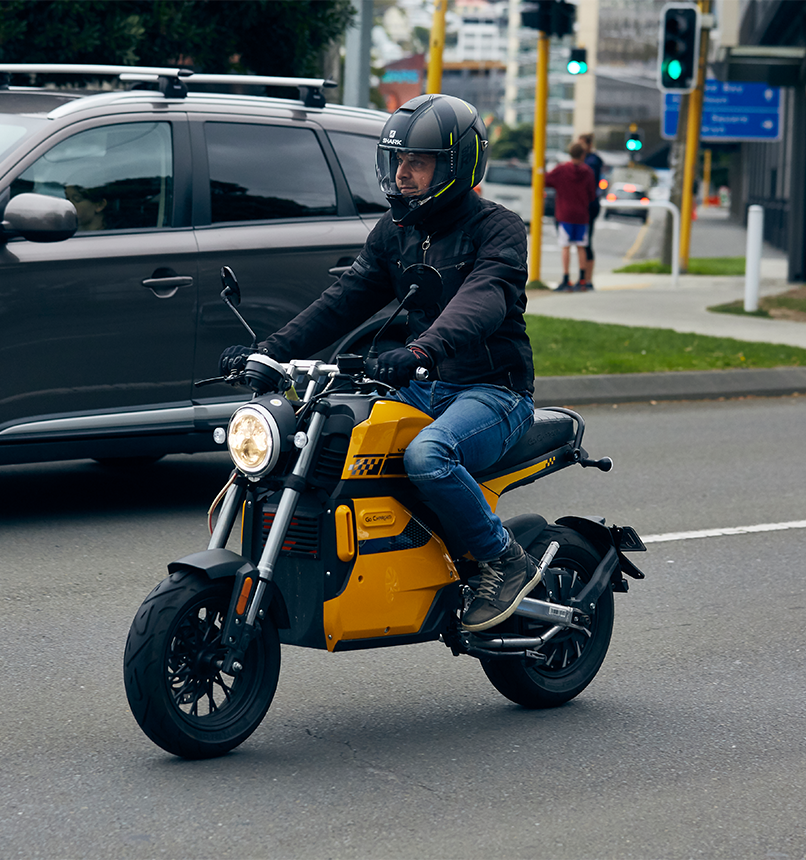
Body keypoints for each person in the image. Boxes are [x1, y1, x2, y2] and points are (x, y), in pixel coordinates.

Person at [219, 94, 539, 633]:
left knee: (428, 456)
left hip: (491, 391)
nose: (402, 174)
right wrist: (269, 351)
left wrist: (421, 350)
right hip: (422, 386)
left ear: (456, 164)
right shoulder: (396, 232)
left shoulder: (498, 228)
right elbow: (344, 299)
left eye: (417, 162)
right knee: (325, 438)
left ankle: (504, 559)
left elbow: (482, 299)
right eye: (396, 161)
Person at [544, 141, 597, 291]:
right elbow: (592, 194)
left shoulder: (561, 170)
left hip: (565, 213)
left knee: (565, 247)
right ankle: (582, 279)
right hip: (582, 215)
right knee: (581, 246)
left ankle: (566, 278)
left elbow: (546, 180)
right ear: (583, 155)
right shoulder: (588, 172)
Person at [579, 133, 605, 289]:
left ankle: (588, 279)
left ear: (588, 145)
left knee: (586, 241)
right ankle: (585, 278)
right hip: (585, 204)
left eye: (581, 144)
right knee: (583, 242)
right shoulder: (590, 160)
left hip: (589, 205)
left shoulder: (592, 162)